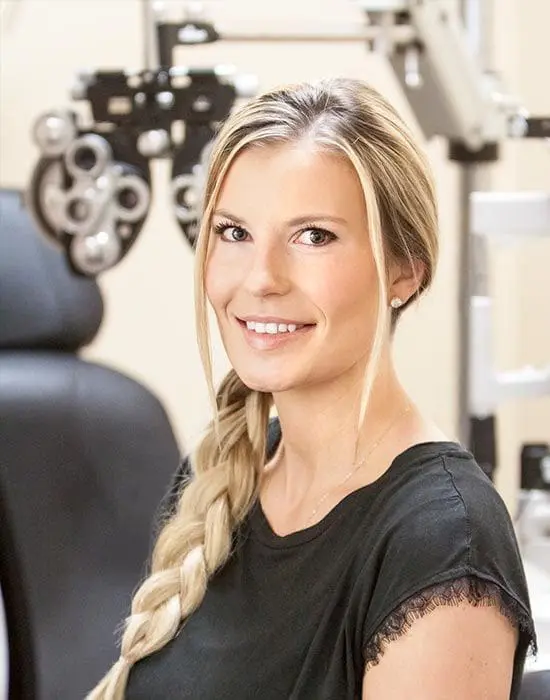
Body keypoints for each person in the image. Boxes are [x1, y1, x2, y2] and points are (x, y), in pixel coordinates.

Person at [88, 78, 537, 700]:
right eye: (233, 233)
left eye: (313, 237)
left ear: (405, 270)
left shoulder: (441, 545)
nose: (262, 278)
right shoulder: (221, 476)